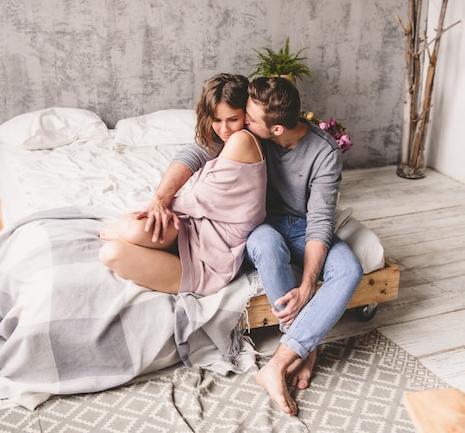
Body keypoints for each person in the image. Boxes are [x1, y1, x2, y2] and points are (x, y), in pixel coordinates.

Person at [138, 76, 363, 416]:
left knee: (350, 269)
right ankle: (305, 347)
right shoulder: (245, 135)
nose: (241, 122)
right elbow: (197, 150)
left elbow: (320, 221)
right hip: (263, 224)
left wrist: (305, 286)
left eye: (249, 118)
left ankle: (279, 362)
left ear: (274, 129)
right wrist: (161, 198)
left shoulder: (324, 151)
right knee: (267, 244)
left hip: (305, 228)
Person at [99, 73, 267, 296]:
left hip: (214, 255)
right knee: (134, 228)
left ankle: (130, 234)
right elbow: (192, 153)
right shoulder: (223, 139)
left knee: (111, 252)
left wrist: (150, 208)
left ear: (246, 115)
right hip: (195, 227)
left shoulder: (242, 140)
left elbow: (201, 200)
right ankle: (135, 233)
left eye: (232, 119)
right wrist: (158, 204)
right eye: (216, 120)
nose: (224, 129)